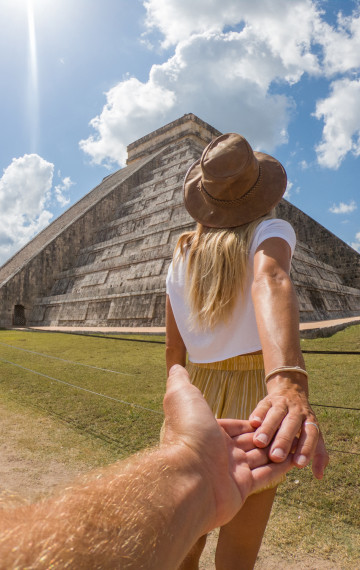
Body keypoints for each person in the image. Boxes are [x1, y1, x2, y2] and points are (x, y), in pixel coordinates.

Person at [165, 133, 329, 569]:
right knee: (239, 545)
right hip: (255, 396)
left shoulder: (181, 254)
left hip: (195, 392)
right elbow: (271, 279)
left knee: (186, 533)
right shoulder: (270, 230)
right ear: (260, 192)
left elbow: (175, 345)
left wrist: (174, 397)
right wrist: (287, 380)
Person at [0, 365, 294, 570]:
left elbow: (174, 357)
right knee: (237, 560)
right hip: (257, 403)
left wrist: (191, 465)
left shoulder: (177, 279)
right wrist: (292, 387)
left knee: (187, 556)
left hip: (200, 397)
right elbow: (272, 281)